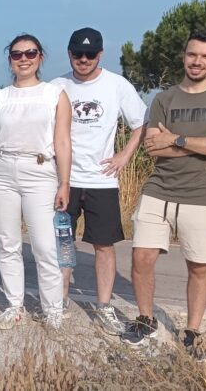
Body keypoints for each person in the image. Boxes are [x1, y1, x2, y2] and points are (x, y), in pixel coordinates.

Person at [122, 31, 206, 352]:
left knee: (198, 265)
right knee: (141, 257)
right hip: (158, 190)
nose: (197, 61)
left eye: (205, 56)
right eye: (192, 55)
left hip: (203, 194)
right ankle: (146, 318)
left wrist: (177, 139)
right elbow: (153, 149)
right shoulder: (164, 99)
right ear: (183, 56)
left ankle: (192, 330)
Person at [49, 28, 147, 335]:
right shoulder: (56, 86)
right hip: (64, 180)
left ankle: (104, 307)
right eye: (77, 53)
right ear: (69, 54)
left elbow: (141, 124)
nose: (83, 59)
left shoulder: (117, 85)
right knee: (63, 242)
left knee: (103, 246)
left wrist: (124, 156)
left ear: (100, 55)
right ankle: (59, 302)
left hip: (101, 182)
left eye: (90, 54)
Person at [0, 34, 72, 330]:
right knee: (7, 243)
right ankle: (15, 305)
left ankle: (52, 308)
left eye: (31, 53)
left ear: (40, 57)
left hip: (39, 170)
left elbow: (63, 142)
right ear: (10, 60)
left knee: (44, 245)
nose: (24, 59)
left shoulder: (55, 94)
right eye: (18, 54)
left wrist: (64, 183)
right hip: (2, 171)